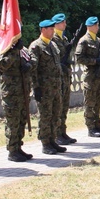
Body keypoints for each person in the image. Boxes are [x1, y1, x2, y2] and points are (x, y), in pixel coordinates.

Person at [29, 20, 66, 155]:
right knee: (45, 116)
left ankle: (53, 140)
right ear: (43, 30)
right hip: (44, 89)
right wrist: (36, 88)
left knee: (56, 115)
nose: (53, 31)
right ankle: (45, 143)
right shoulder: (36, 46)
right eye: (50, 29)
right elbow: (33, 69)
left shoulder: (53, 45)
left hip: (55, 87)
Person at [0, 39, 33, 162]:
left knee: (22, 120)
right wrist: (13, 50)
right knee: (13, 122)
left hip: (23, 91)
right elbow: (2, 64)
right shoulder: (3, 49)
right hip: (11, 93)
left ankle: (18, 147)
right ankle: (12, 150)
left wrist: (29, 65)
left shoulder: (22, 49)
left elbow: (32, 59)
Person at [75, 17, 100, 137]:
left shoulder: (98, 40)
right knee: (90, 103)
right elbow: (79, 58)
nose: (98, 27)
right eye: (96, 25)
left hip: (99, 77)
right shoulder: (84, 40)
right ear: (89, 26)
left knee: (98, 102)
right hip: (90, 77)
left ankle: (98, 125)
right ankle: (91, 128)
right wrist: (94, 61)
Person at [51, 13, 77, 146]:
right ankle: (56, 134)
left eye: (65, 22)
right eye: (62, 22)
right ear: (55, 24)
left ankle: (62, 132)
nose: (64, 24)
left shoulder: (64, 38)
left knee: (64, 106)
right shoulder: (53, 39)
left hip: (65, 77)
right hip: (57, 77)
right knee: (58, 107)